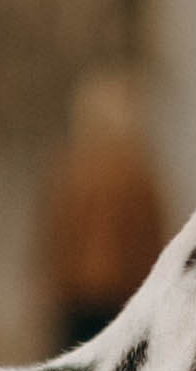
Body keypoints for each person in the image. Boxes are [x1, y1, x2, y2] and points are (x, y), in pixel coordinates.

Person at [41, 69, 168, 352]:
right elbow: (154, 240)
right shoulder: (139, 172)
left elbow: (55, 237)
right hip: (126, 296)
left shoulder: (71, 168)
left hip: (76, 296)